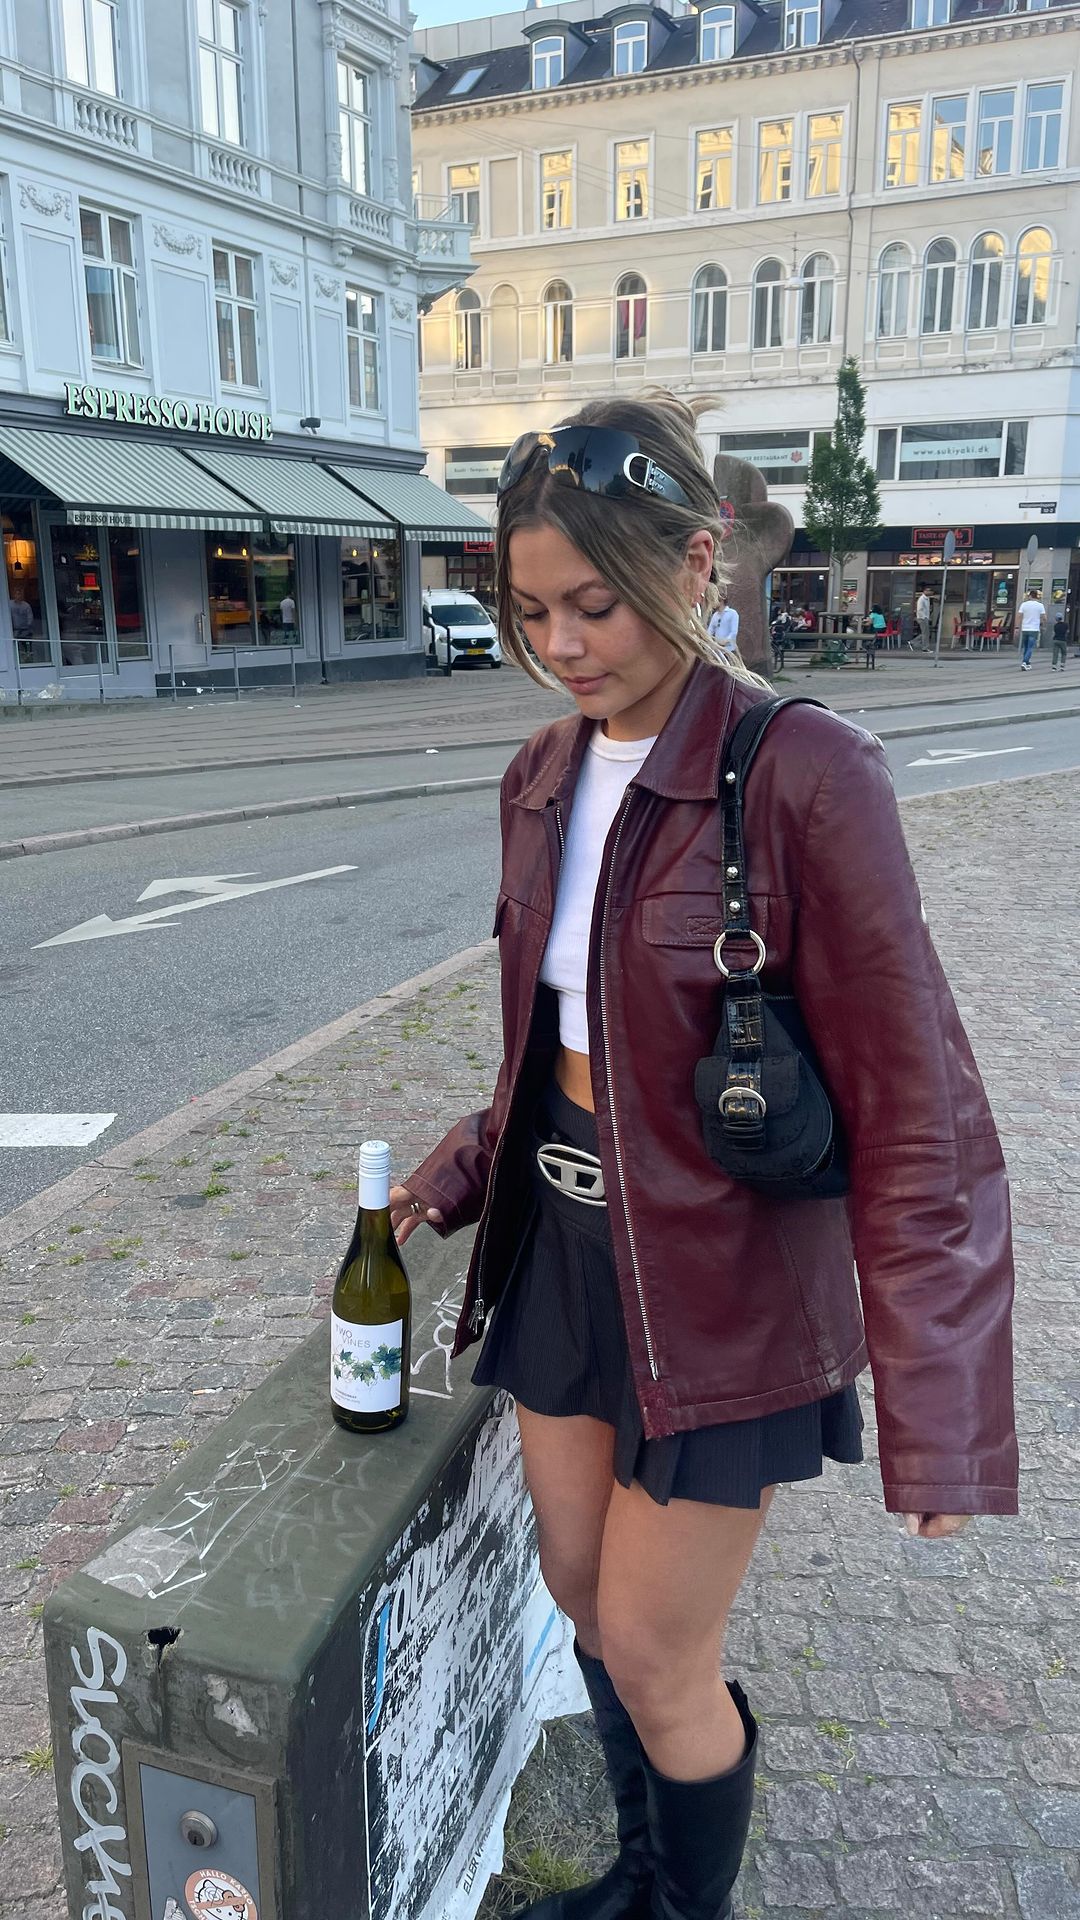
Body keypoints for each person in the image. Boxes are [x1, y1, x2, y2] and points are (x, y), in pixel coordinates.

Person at [390, 396, 1018, 1920]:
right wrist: (467, 1164)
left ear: (692, 560)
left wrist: (939, 1404)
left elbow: (920, 1106)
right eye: (533, 610)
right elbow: (560, 1045)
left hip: (727, 1287)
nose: (562, 643)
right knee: (577, 1594)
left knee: (658, 1647)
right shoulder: (542, 775)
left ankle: (684, 1908)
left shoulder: (806, 774)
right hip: (562, 1253)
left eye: (594, 604)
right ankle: (636, 1874)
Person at [1018, 588, 1046, 670]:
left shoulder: (1024, 604)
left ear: (1030, 596)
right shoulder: (1040, 605)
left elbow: (1019, 616)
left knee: (1026, 647)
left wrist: (1017, 627)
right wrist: (1043, 625)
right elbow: (1044, 618)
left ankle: (1027, 663)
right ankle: (1024, 662)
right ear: (1036, 596)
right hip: (1034, 629)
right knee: (1030, 647)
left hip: (1025, 628)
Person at [706, 588, 738, 657]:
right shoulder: (715, 615)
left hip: (729, 651)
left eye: (715, 600)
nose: (713, 602)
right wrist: (708, 640)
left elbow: (733, 632)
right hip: (718, 651)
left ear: (721, 600)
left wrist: (724, 641)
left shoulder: (732, 613)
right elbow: (710, 631)